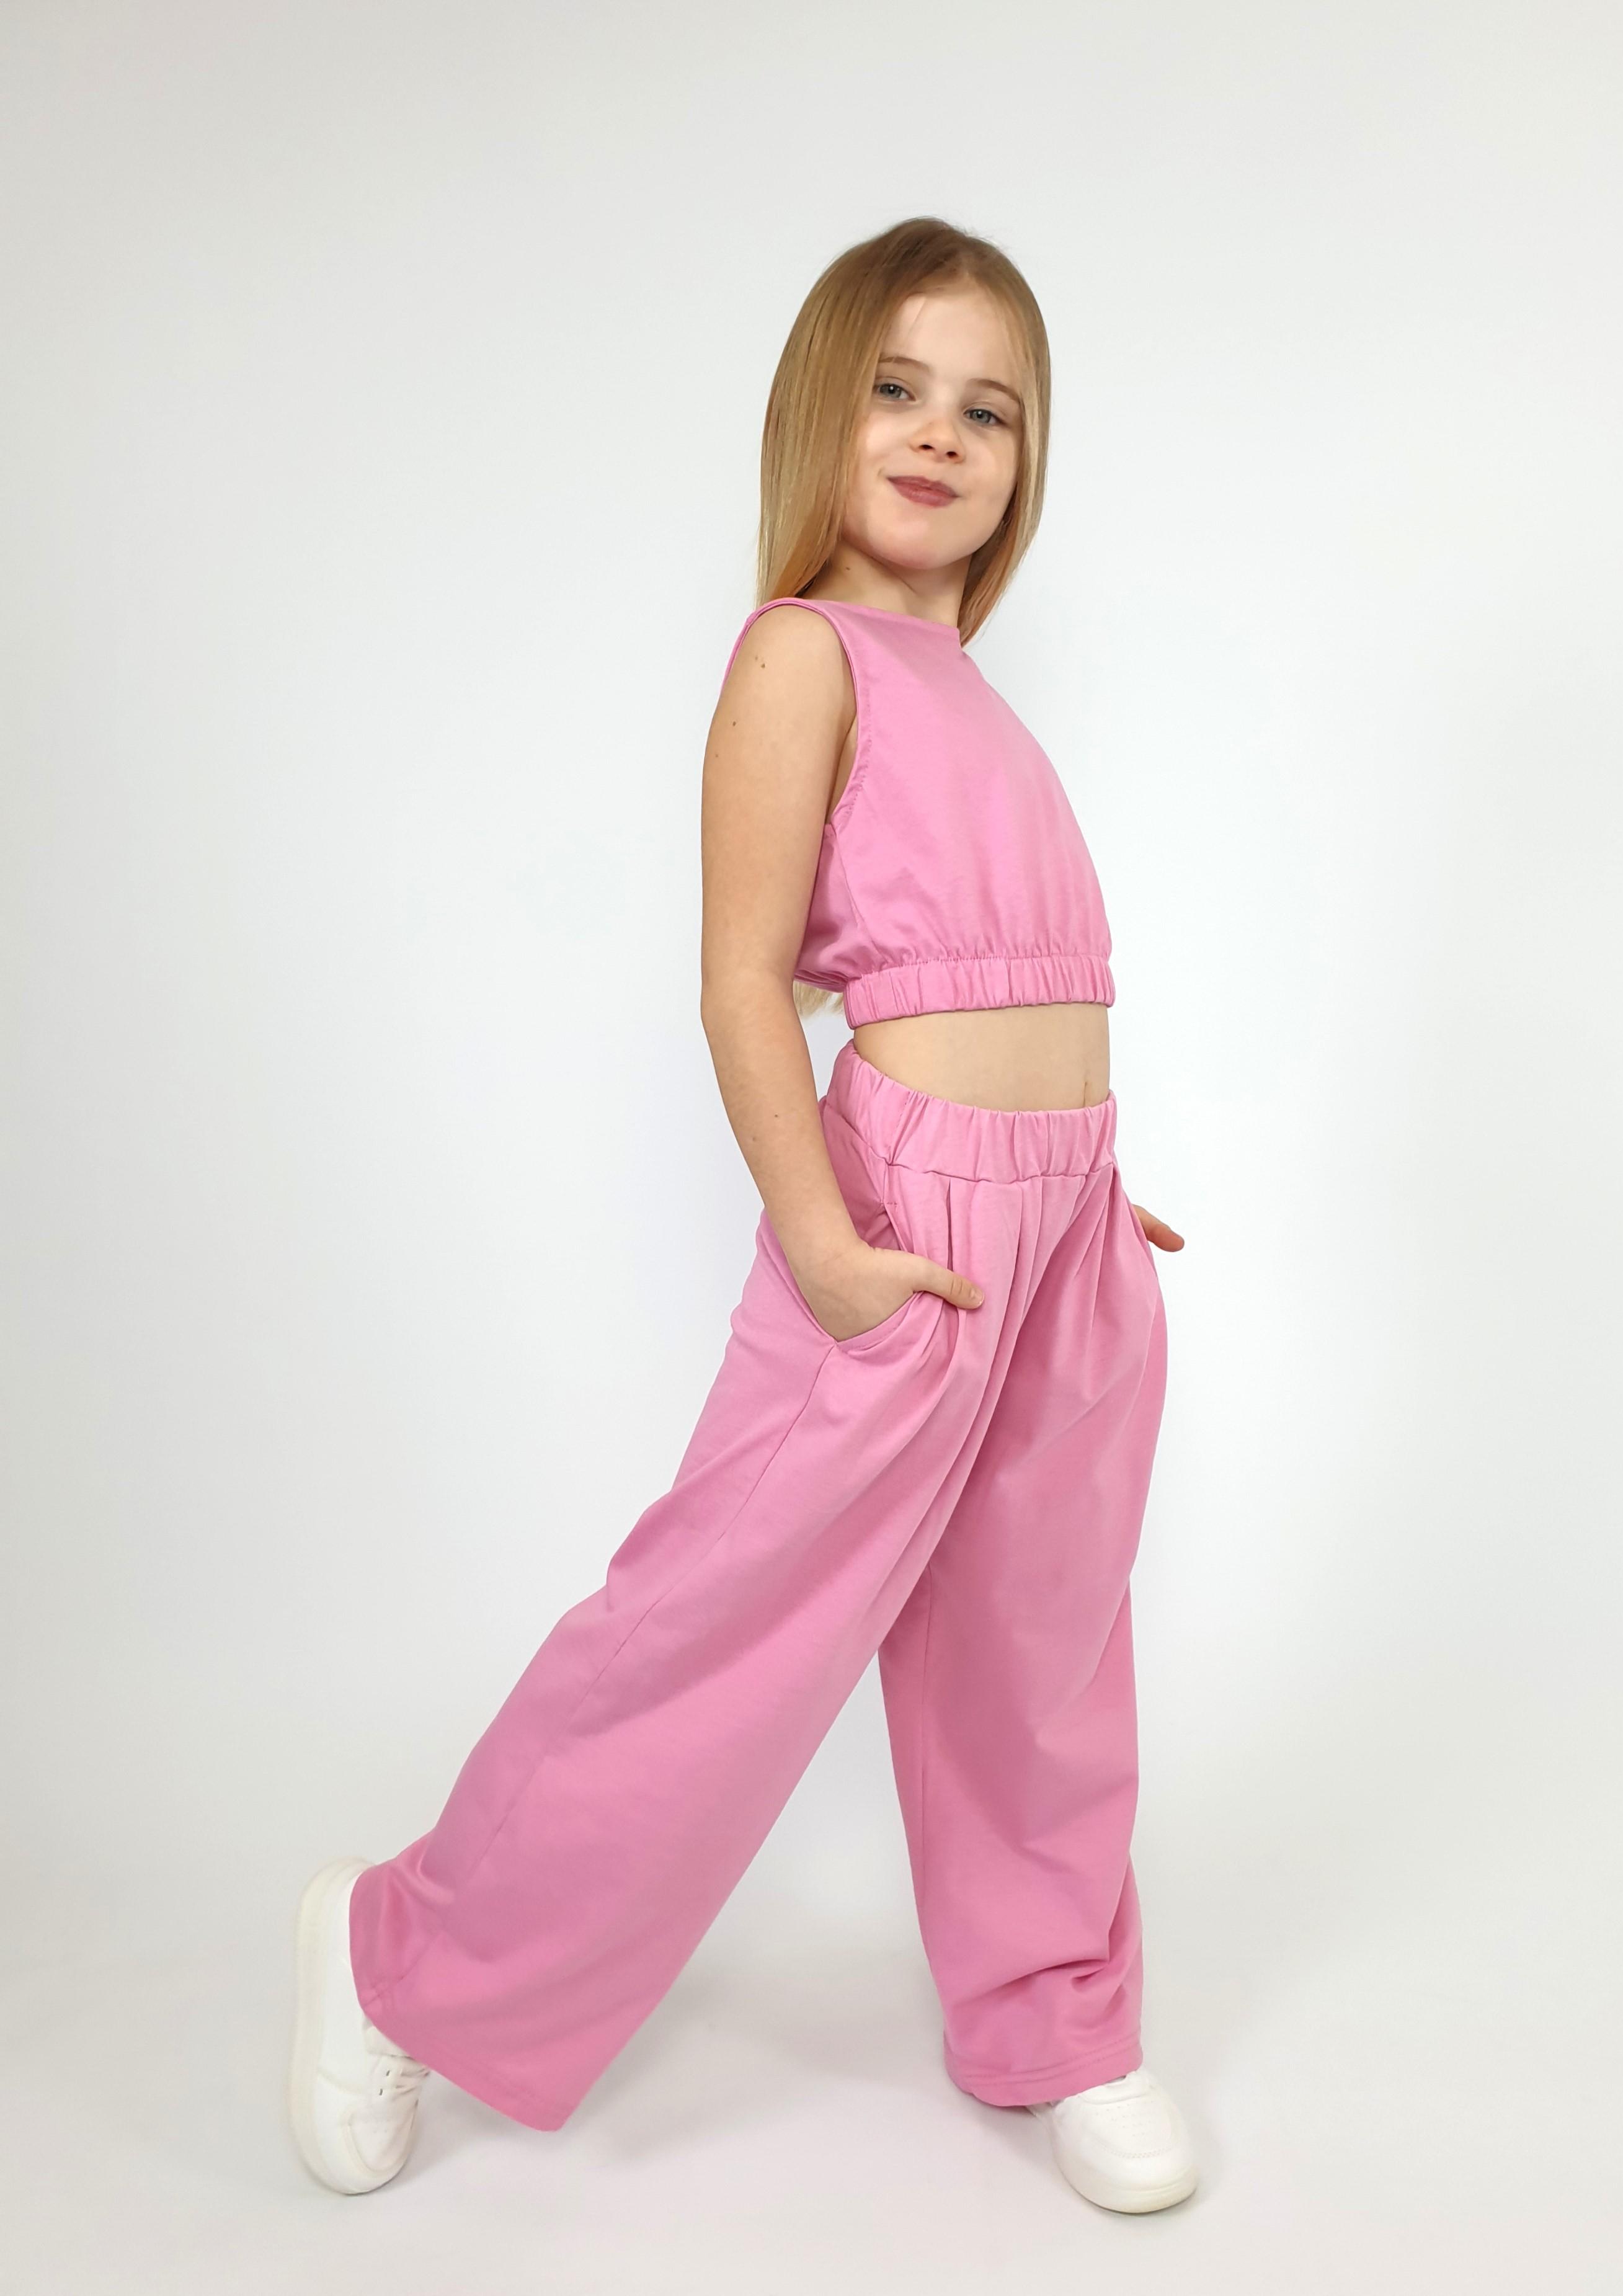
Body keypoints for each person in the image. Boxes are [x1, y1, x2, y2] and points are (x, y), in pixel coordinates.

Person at [287, 215, 1198, 2218]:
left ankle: (1054, 2016)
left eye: (990, 410)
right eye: (898, 388)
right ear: (819, 413)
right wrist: (826, 1239)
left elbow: (1012, 981)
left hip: (1064, 1232)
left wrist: (1081, 1194)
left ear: (1028, 459)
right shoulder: (804, 655)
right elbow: (741, 978)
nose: (941, 434)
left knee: (1039, 1645)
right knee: (723, 1635)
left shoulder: (976, 691)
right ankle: (397, 1953)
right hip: (900, 1229)